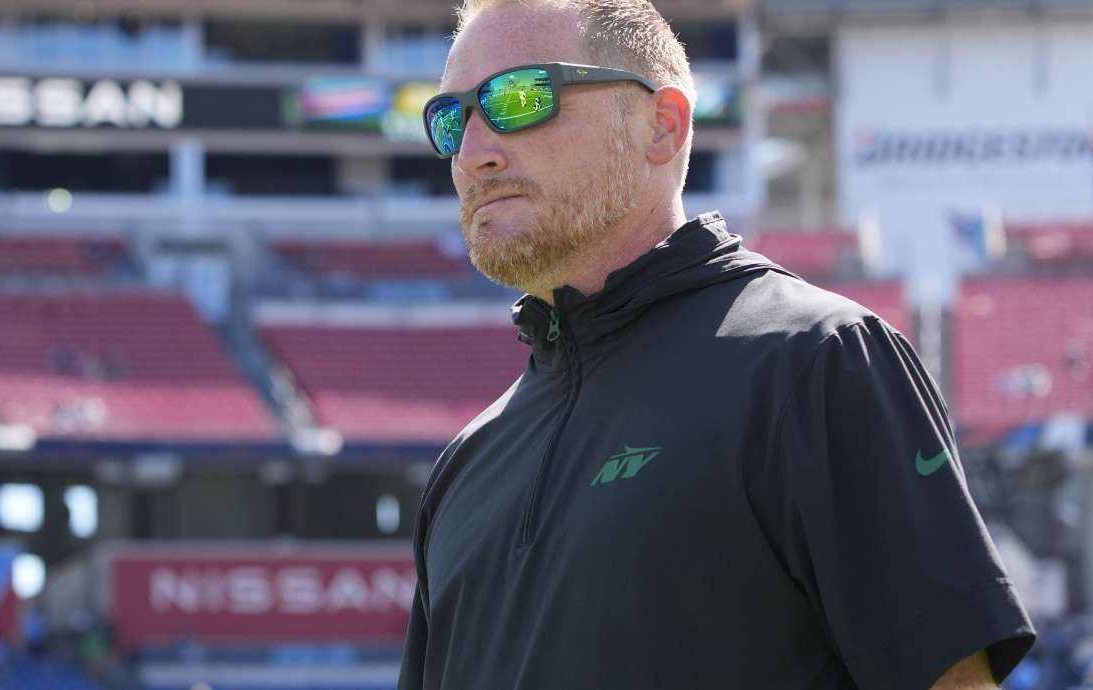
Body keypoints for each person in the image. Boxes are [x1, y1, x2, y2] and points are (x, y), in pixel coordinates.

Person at [402, 1, 1036, 689]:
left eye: (518, 98)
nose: (473, 153)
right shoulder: (467, 465)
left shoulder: (818, 361)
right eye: (450, 118)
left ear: (662, 126)